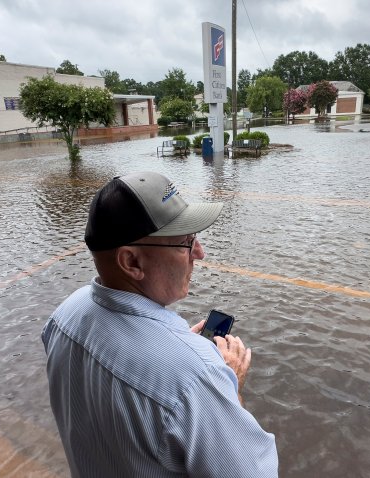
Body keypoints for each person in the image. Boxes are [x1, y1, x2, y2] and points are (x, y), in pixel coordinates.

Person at [42, 171, 278, 477]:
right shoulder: (197, 377)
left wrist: (181, 349)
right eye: (185, 242)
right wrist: (227, 389)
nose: (199, 253)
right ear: (131, 262)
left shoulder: (63, 316)